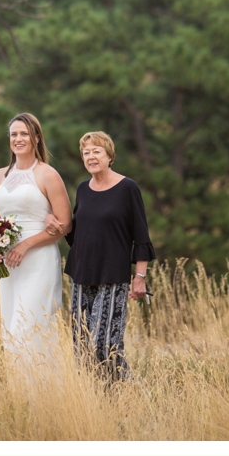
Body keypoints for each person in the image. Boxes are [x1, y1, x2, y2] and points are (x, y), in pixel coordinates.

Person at [63, 131, 153, 381]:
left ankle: (132, 396)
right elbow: (78, 234)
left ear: (110, 156)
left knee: (105, 346)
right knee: (82, 347)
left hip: (112, 277)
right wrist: (57, 225)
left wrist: (140, 276)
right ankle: (97, 402)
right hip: (81, 275)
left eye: (96, 151)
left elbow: (141, 235)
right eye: (86, 153)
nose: (91, 156)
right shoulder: (82, 189)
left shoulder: (127, 188)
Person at [0, 112, 70, 366]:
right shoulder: (0, 175)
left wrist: (25, 244)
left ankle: (43, 396)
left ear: (36, 138)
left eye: (24, 134)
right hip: (10, 266)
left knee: (30, 327)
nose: (18, 139)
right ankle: (21, 399)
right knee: (11, 330)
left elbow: (65, 224)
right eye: (14, 134)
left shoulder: (47, 174)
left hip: (38, 261)